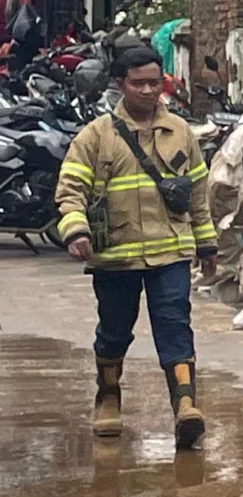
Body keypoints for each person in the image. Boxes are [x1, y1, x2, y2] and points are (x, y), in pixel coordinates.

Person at [55, 46, 214, 447]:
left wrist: (208, 245)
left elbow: (198, 195)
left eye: (154, 82)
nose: (147, 90)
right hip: (115, 259)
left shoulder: (180, 132)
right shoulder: (95, 137)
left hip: (170, 254)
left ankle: (185, 406)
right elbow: (70, 189)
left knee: (174, 325)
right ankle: (108, 397)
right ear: (120, 85)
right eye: (137, 83)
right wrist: (76, 231)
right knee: (114, 332)